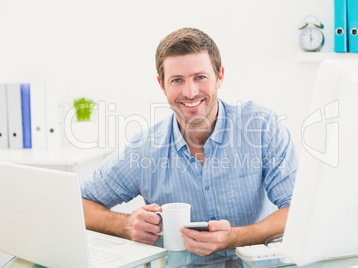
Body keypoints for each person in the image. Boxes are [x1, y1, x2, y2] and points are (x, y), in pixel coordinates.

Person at [81, 27, 298, 256]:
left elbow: (297, 209)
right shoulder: (144, 148)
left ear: (220, 76)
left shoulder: (261, 128)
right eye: (177, 80)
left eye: (200, 77)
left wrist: (233, 237)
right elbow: (80, 204)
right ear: (162, 84)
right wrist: (123, 225)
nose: (190, 92)